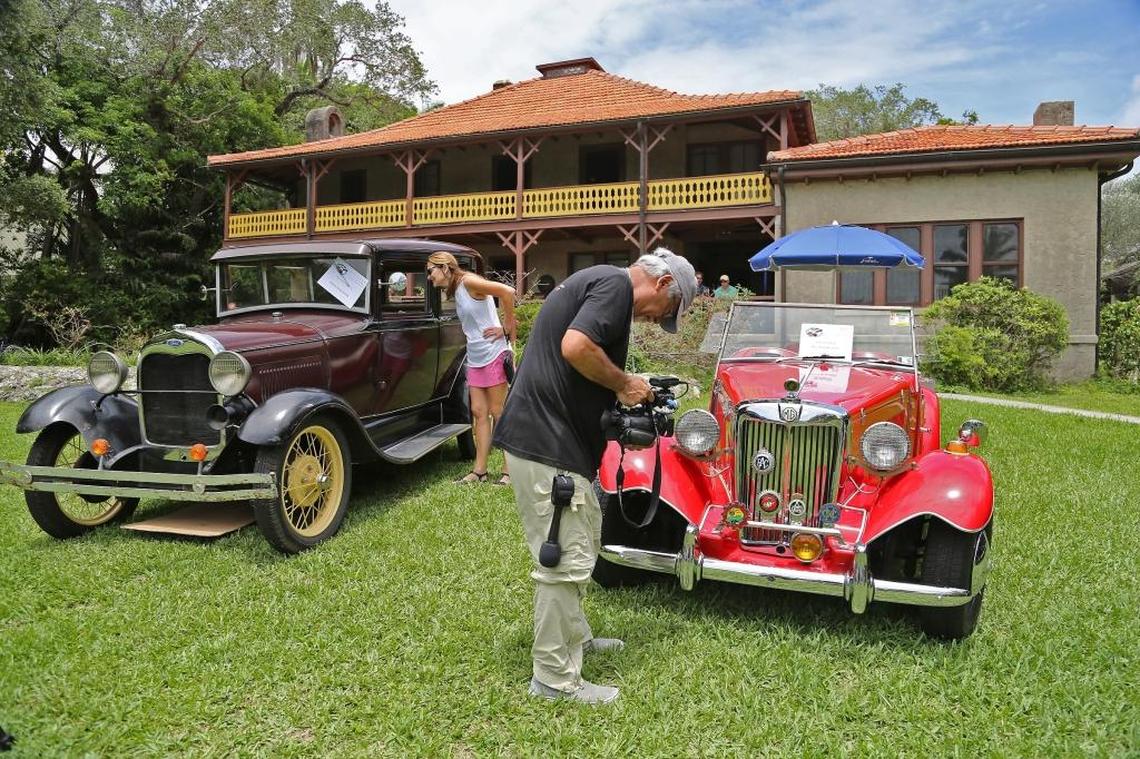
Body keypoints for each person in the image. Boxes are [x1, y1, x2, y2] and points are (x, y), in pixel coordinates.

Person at [493, 247, 698, 705]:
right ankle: (553, 677)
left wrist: (620, 386)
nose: (653, 321)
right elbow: (575, 346)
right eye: (665, 311)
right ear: (663, 284)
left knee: (577, 543)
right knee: (563, 562)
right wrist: (624, 384)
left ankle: (577, 639)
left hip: (546, 441)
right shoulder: (615, 287)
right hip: (548, 444)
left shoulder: (598, 281)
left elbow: (576, 360)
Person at [425, 251, 517, 486]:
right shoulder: (456, 288)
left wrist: (506, 328)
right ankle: (479, 471)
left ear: (445, 267)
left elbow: (508, 292)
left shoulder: (469, 281)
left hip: (493, 354)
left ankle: (509, 471)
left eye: (430, 271)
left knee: (498, 412)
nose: (428, 277)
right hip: (475, 358)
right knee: (478, 412)